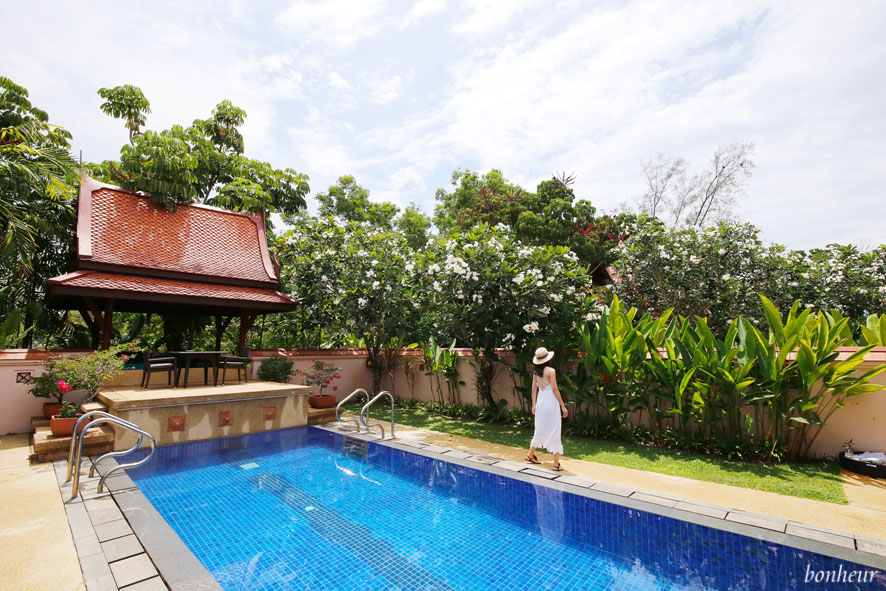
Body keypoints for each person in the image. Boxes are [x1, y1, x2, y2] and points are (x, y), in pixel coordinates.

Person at [525, 346, 568, 471]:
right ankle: (555, 464)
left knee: (540, 428)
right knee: (555, 428)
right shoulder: (551, 371)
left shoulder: (535, 373)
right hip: (551, 403)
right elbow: (554, 389)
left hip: (541, 403)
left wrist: (534, 404)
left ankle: (530, 455)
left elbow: (534, 389)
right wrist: (563, 406)